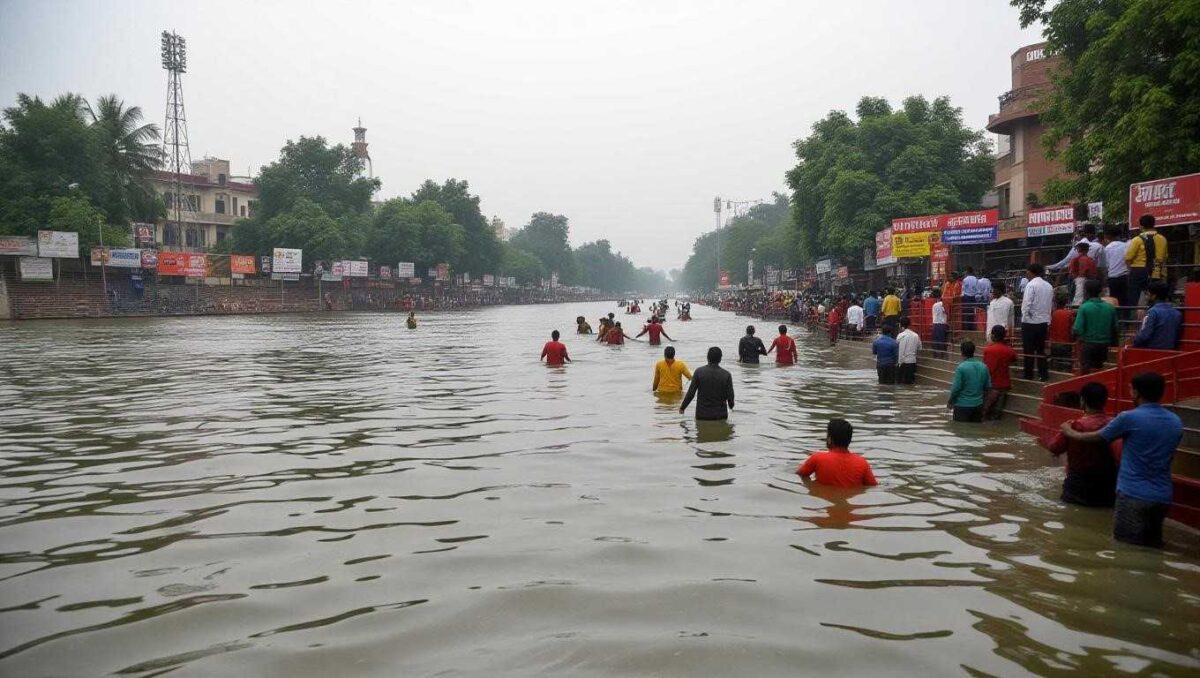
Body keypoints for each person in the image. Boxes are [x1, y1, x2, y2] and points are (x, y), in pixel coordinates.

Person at [1058, 372, 1182, 547]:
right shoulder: (1175, 421)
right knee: (1153, 546)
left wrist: (1069, 431)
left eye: (1131, 389)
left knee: (1124, 546)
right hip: (1162, 497)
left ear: (1136, 393)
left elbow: (1097, 437)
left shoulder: (1129, 418)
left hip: (1133, 494)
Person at [1047, 382, 1117, 507]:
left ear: (1082, 401)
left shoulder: (1073, 426)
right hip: (1107, 487)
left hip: (1077, 486)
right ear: (1105, 401)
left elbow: (1054, 447)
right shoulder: (1116, 424)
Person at [796, 419, 878, 488]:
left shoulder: (817, 458)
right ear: (849, 440)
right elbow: (872, 486)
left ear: (830, 439)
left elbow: (800, 475)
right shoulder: (862, 463)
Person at [1072, 279, 1119, 374]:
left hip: (1088, 345)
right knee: (1101, 372)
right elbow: (1115, 328)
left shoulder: (1084, 307)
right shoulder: (1110, 308)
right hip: (1105, 345)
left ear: (1086, 291)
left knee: (1086, 372)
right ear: (1100, 291)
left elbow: (1077, 329)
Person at [1124, 214, 1169, 306]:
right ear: (1154, 224)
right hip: (1157, 271)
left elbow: (1128, 258)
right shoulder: (1162, 239)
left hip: (1138, 271)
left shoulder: (1137, 240)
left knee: (1133, 297)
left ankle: (1133, 318)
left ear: (1141, 226)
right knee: (1156, 297)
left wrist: (1130, 270)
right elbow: (1165, 257)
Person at [680, 347, 735, 420]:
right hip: (720, 415)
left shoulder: (699, 372)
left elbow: (691, 393)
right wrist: (731, 406)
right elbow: (730, 397)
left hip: (702, 414)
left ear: (707, 357)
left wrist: (683, 407)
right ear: (720, 359)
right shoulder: (726, 375)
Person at [1021, 262, 1053, 381]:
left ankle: (1028, 375)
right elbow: (1049, 305)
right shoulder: (1048, 286)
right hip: (1043, 322)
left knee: (1028, 350)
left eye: (1027, 271)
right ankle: (1043, 374)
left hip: (1030, 322)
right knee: (1040, 349)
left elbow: (1026, 304)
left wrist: (1024, 318)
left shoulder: (1031, 285)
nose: (1026, 273)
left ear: (1031, 272)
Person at [947, 340, 991, 422]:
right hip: (978, 406)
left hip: (962, 406)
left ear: (961, 352)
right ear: (974, 351)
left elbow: (956, 388)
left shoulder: (961, 368)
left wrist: (950, 401)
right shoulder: (984, 367)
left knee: (961, 431)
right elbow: (987, 387)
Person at [1132, 280, 1182, 350]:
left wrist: (1134, 343)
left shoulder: (1153, 312)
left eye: (1148, 294)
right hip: (1170, 351)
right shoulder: (1177, 313)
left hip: (1152, 351)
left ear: (1154, 296)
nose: (1146, 297)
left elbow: (1144, 336)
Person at [982, 325, 1018, 420]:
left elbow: (986, 368)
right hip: (1004, 386)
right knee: (996, 415)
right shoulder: (1009, 351)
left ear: (993, 336)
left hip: (991, 386)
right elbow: (1014, 359)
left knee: (984, 413)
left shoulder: (988, 350)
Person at [1102, 226, 1130, 308]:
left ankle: (1116, 318)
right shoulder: (1126, 246)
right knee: (1125, 300)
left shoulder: (1107, 248)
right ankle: (1126, 318)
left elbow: (1106, 265)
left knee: (1114, 300)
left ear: (1108, 236)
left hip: (1112, 277)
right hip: (1125, 277)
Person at [1067, 241, 1098, 306]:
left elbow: (1071, 272)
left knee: (1076, 301)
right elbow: (1091, 273)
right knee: (1081, 300)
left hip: (1076, 281)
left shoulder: (1074, 259)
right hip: (1085, 281)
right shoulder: (1088, 259)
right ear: (1087, 250)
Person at [896, 316, 921, 384]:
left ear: (900, 325)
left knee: (900, 383)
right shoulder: (916, 335)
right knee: (909, 383)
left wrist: (899, 363)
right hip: (912, 361)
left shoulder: (900, 336)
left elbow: (899, 349)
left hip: (903, 362)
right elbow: (919, 347)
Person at [931, 289, 949, 359]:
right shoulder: (941, 304)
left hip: (935, 323)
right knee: (942, 339)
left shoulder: (934, 305)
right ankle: (942, 355)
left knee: (936, 339)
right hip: (941, 323)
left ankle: (935, 355)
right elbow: (946, 312)